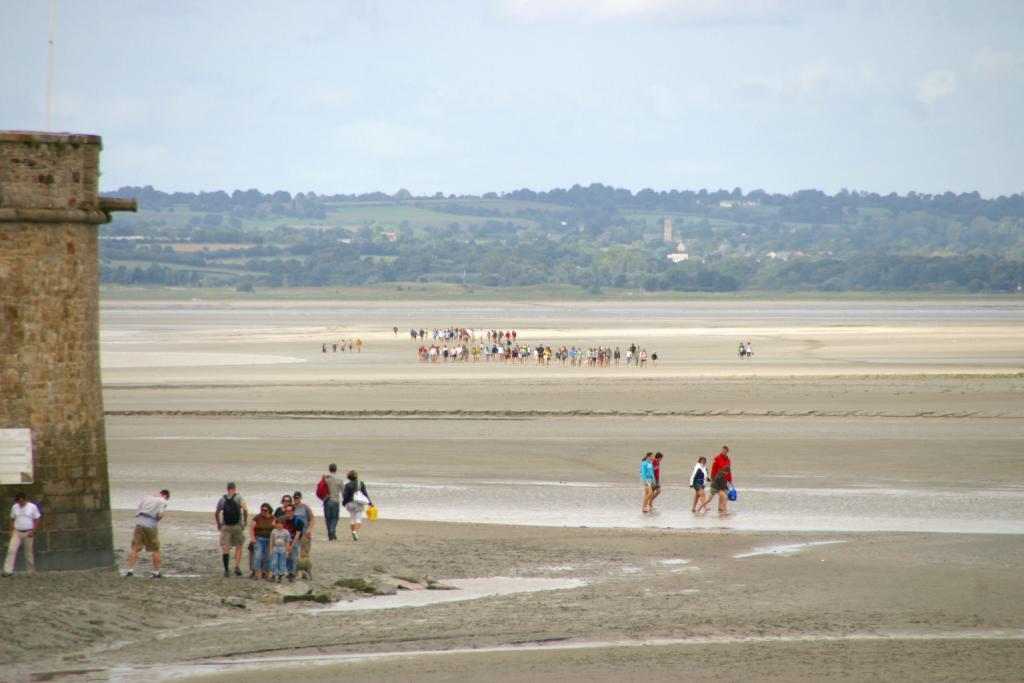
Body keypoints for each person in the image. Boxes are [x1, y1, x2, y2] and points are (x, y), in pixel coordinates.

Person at [125, 489, 169, 578]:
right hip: (150, 525)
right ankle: (156, 572)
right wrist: (157, 519)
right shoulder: (163, 501)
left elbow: (137, 512)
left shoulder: (147, 497)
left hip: (139, 523)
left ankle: (130, 571)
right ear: (166, 496)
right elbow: (160, 515)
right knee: (155, 549)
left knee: (135, 548)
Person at [3, 492, 42, 577]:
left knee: (28, 553)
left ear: (25, 500)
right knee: (11, 550)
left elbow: (37, 518)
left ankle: (30, 571)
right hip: (17, 532)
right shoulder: (15, 507)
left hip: (28, 532)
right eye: (19, 502)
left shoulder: (32, 507)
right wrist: (11, 530)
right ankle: (7, 570)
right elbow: (12, 518)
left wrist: (33, 531)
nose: (20, 504)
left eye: (22, 502)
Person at [215, 482, 248, 577]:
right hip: (237, 525)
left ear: (227, 489)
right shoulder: (239, 497)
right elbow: (245, 509)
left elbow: (217, 512)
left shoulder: (223, 499)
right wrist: (245, 521)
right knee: (239, 546)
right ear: (235, 488)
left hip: (226, 526)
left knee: (225, 548)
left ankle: (226, 569)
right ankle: (237, 567)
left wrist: (218, 523)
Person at [342, 470, 372, 541]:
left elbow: (345, 496)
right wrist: (370, 503)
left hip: (350, 504)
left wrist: (344, 503)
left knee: (352, 519)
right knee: (358, 519)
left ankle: (354, 534)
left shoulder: (347, 485)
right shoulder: (361, 484)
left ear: (349, 477)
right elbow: (365, 494)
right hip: (358, 504)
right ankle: (355, 531)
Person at [701, 446, 733, 514]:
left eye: (725, 451)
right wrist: (713, 478)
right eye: (723, 450)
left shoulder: (728, 460)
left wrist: (730, 480)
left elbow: (728, 471)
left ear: (727, 452)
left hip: (725, 479)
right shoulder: (717, 458)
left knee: (724, 494)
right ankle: (722, 507)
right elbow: (714, 468)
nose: (723, 452)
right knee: (722, 494)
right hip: (718, 479)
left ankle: (720, 507)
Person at [250, 503, 275, 579]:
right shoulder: (257, 518)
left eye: (265, 510)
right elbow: (252, 529)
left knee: (268, 557)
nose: (263, 512)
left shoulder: (273, 518)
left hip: (269, 540)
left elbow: (276, 529)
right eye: (262, 510)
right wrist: (253, 539)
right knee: (258, 556)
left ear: (269, 510)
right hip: (259, 539)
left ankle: (267, 574)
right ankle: (256, 574)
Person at [281, 504, 305, 581]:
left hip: (294, 540)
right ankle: (289, 572)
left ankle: (293, 573)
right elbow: (275, 524)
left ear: (293, 511)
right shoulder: (283, 520)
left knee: (293, 557)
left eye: (290, 511)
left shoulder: (298, 521)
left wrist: (292, 546)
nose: (288, 512)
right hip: (284, 540)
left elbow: (298, 534)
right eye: (286, 511)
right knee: (286, 557)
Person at [269, 517, 291, 583]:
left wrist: (287, 551)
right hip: (275, 548)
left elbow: (287, 542)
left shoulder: (286, 532)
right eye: (277, 524)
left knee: (282, 563)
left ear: (283, 524)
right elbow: (271, 541)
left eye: (280, 524)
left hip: (283, 549)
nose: (279, 525)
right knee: (274, 562)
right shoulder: (274, 531)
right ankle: (273, 574)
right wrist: (270, 550)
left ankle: (280, 575)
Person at [323, 463, 341, 541]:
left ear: (329, 469)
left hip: (327, 500)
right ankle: (332, 531)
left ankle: (330, 534)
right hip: (336, 500)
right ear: (336, 470)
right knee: (335, 517)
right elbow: (343, 491)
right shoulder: (339, 480)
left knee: (328, 518)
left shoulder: (326, 479)